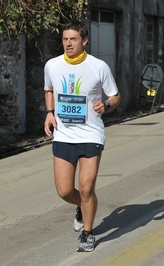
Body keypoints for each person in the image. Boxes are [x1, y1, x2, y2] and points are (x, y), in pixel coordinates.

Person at [43, 20, 121, 252]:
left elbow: (116, 96)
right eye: (65, 39)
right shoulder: (52, 65)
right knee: (65, 191)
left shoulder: (98, 67)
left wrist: (106, 105)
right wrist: (49, 113)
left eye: (73, 39)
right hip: (64, 135)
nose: (68, 43)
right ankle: (81, 207)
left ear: (84, 41)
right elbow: (48, 89)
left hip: (90, 134)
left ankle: (88, 233)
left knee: (86, 189)